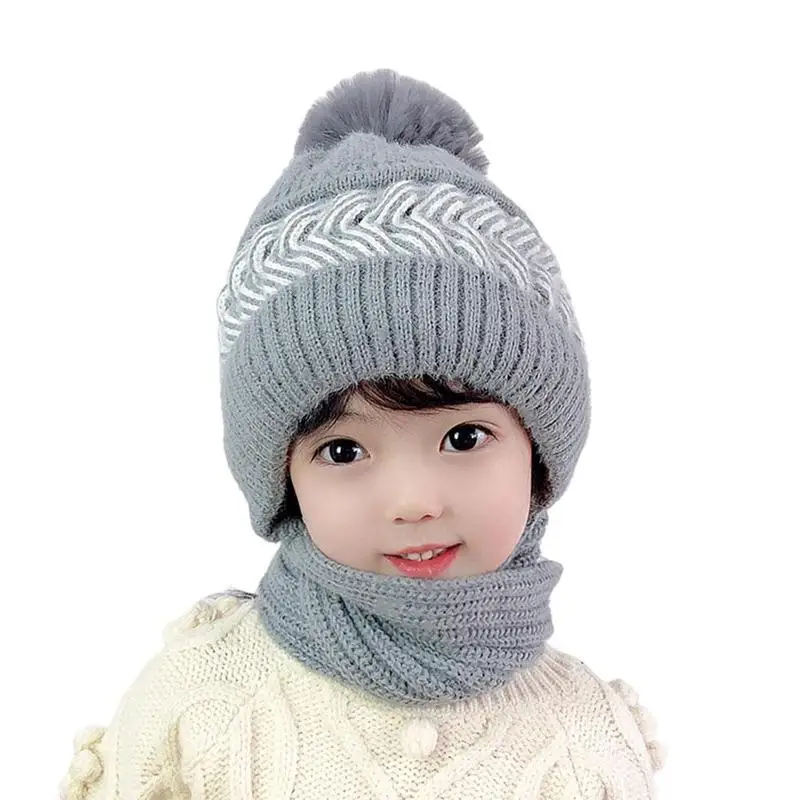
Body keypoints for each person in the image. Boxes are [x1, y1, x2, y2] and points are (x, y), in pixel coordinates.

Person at [59, 68, 667, 799]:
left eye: (464, 438)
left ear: (539, 451)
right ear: (283, 477)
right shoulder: (199, 704)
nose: (413, 501)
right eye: (343, 450)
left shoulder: (587, 732)